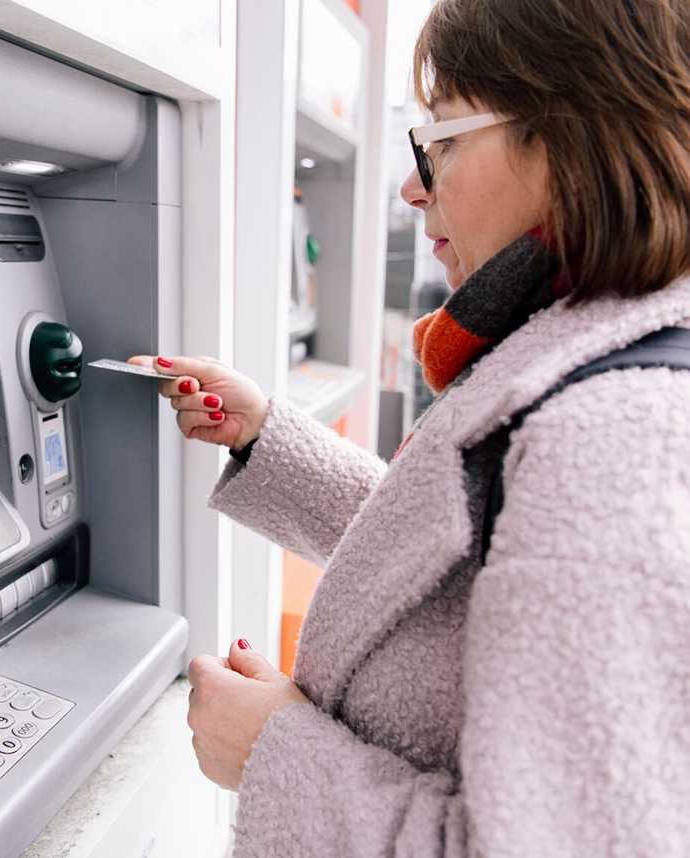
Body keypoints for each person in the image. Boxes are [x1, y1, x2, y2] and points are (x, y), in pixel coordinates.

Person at [131, 0, 690, 854]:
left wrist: (270, 752)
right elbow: (456, 558)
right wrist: (263, 437)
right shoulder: (593, 345)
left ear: (571, 136)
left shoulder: (615, 438)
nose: (412, 184)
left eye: (444, 141)